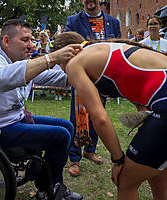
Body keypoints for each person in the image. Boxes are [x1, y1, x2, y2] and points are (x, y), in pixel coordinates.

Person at [0, 19, 83, 200]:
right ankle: (48, 188)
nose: (31, 45)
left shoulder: (17, 59)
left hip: (12, 120)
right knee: (61, 135)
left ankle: (43, 178)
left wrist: (83, 69)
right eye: (25, 40)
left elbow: (52, 77)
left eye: (32, 40)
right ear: (6, 41)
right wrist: (51, 58)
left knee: (66, 126)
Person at [54, 31, 167, 200]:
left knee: (125, 181)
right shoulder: (103, 50)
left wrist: (118, 160)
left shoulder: (74, 63)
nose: (61, 69)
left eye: (58, 61)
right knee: (156, 173)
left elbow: (100, 118)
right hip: (160, 102)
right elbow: (142, 98)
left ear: (66, 52)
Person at [65, 0, 121, 177]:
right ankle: (74, 158)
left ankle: (90, 150)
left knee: (98, 116)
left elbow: (118, 48)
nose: (90, 1)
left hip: (102, 77)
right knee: (77, 117)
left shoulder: (114, 22)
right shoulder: (73, 21)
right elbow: (67, 46)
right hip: (82, 75)